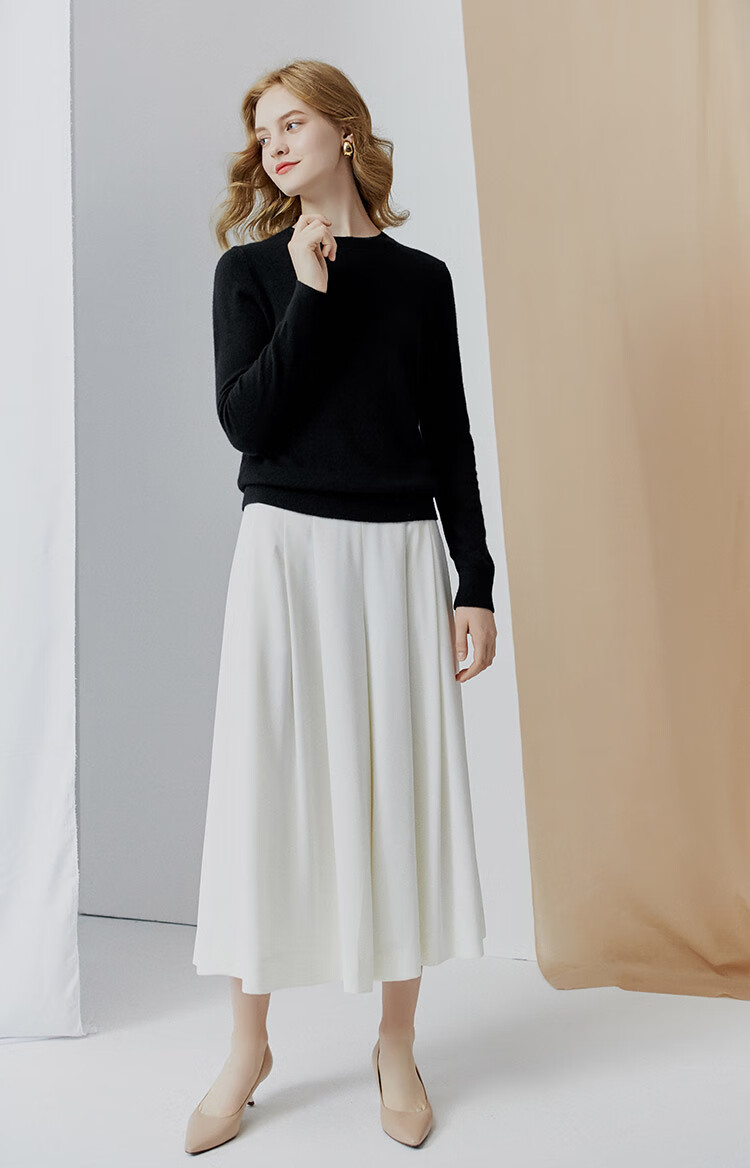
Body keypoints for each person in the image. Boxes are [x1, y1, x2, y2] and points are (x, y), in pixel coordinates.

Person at [186, 58, 497, 1154]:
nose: (275, 145)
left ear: (346, 131)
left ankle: (396, 1043)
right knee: (263, 789)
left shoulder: (421, 280)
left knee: (396, 790)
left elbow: (449, 436)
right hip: (284, 554)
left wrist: (475, 582)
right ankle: (248, 1047)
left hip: (398, 554)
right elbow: (249, 424)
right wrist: (308, 293)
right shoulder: (249, 273)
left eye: (293, 123)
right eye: (263, 132)